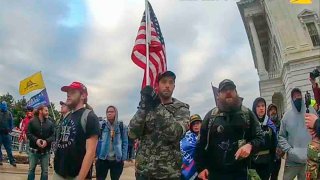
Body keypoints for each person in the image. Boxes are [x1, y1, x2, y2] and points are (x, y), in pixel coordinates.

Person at [195, 79, 264, 180]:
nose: (228, 92)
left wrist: (250, 145)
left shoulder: (247, 114)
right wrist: (200, 168)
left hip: (241, 173)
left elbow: (260, 138)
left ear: (236, 92)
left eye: (231, 89)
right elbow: (200, 145)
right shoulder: (211, 117)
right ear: (218, 95)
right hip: (215, 174)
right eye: (224, 90)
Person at [129, 71, 190, 180]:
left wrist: (157, 105)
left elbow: (175, 133)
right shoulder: (147, 108)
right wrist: (144, 106)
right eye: (164, 82)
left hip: (169, 173)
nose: (167, 85)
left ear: (174, 86)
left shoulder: (181, 109)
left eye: (171, 83)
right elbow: (132, 133)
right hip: (144, 172)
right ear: (157, 85)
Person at [54, 82, 100, 180]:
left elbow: (90, 152)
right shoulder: (67, 116)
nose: (68, 95)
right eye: (67, 92)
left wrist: (80, 178)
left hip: (76, 176)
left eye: (73, 92)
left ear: (83, 95)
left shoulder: (90, 117)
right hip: (59, 172)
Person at [278, 88, 317, 180]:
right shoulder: (286, 116)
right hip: (292, 161)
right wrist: (290, 150)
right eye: (294, 97)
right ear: (291, 99)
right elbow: (281, 137)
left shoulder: (311, 111)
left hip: (309, 160)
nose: (297, 98)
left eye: (299, 95)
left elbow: (317, 131)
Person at [96, 105, 128, 180]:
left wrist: (123, 157)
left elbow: (125, 142)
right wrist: (96, 155)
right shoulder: (101, 125)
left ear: (116, 113)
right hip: (103, 159)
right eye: (107, 112)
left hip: (117, 160)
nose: (109, 113)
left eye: (111, 111)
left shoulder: (122, 126)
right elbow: (96, 140)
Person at [251, 97, 277, 180]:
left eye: (263, 105)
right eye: (258, 106)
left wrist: (273, 163)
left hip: (267, 164)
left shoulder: (270, 125)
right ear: (254, 108)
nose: (261, 108)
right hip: (254, 164)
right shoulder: (251, 125)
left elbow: (274, 145)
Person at [27, 105, 55, 180]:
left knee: (45, 171)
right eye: (46, 110)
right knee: (31, 170)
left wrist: (47, 141)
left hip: (45, 152)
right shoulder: (32, 121)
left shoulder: (50, 123)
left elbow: (53, 136)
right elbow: (28, 133)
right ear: (40, 111)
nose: (47, 112)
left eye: (47, 111)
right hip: (34, 151)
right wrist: (36, 140)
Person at [181, 114, 202, 180]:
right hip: (189, 168)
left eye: (197, 123)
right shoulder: (185, 136)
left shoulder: (206, 135)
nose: (196, 125)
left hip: (204, 167)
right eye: (193, 124)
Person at [267, 104, 284, 180]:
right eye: (271, 110)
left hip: (278, 156)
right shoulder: (266, 124)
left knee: (275, 176)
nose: (273, 111)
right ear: (268, 112)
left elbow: (284, 137)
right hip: (268, 156)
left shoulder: (281, 123)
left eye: (274, 110)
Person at [0, 101, 16, 166]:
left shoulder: (9, 113)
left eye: (5, 105)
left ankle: (12, 161)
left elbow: (11, 123)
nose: (4, 106)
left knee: (9, 148)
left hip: (6, 134)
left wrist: (10, 129)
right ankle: (0, 160)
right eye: (3, 105)